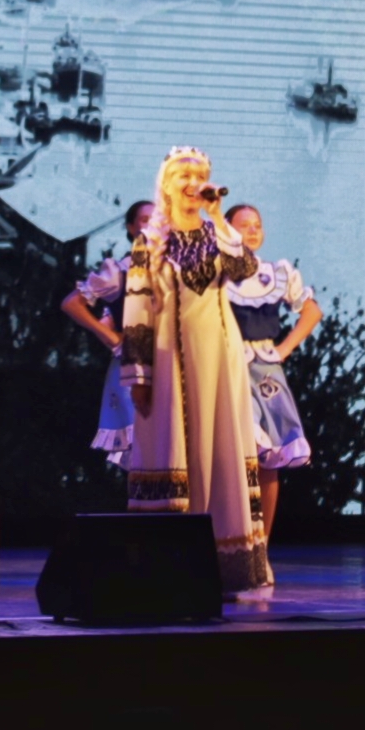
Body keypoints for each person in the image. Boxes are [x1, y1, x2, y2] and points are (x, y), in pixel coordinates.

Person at [121, 147, 273, 595]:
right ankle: (168, 573)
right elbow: (136, 308)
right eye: (183, 177)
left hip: (220, 363)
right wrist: (139, 375)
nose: (192, 184)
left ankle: (222, 568)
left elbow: (245, 267)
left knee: (221, 451)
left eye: (199, 176)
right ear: (166, 185)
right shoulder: (149, 241)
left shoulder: (215, 233)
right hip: (170, 363)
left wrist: (218, 215)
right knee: (174, 451)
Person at [224, 203, 321, 541]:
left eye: (257, 225)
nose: (253, 230)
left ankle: (260, 544)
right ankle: (232, 539)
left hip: (265, 370)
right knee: (239, 453)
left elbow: (311, 311)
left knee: (270, 459)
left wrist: (284, 348)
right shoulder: (215, 274)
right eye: (244, 225)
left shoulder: (275, 272)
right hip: (227, 367)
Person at [57, 200, 154, 466]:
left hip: (170, 368)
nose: (154, 225)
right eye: (146, 220)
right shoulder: (119, 271)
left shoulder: (175, 272)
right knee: (142, 456)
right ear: (131, 228)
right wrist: (110, 337)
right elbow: (72, 303)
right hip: (134, 370)